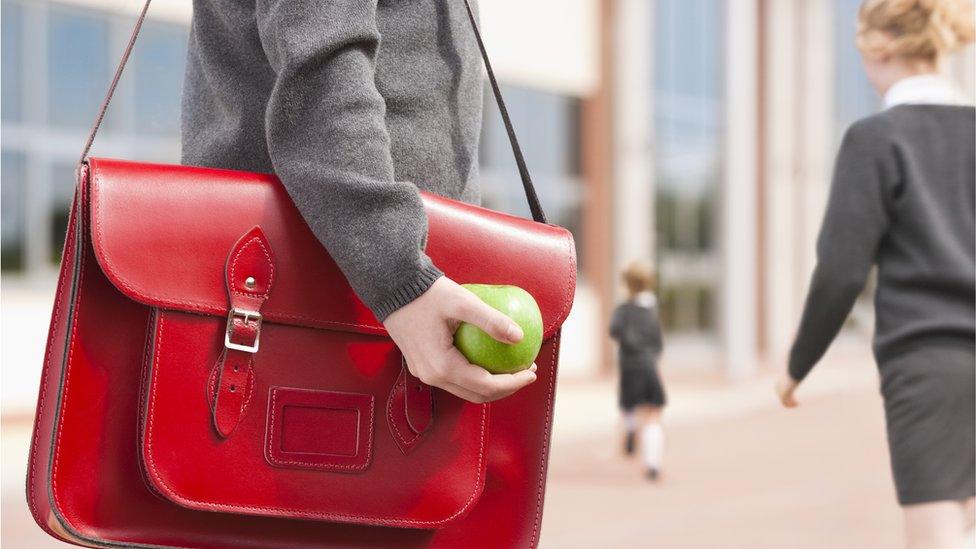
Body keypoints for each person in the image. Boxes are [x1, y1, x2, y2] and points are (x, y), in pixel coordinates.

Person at [180, 1, 537, 404]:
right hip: (355, 296)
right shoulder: (401, 281)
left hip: (403, 310)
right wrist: (402, 278)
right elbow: (323, 59)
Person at [775, 1, 976, 546]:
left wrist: (797, 366)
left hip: (929, 366)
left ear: (878, 46)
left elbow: (841, 272)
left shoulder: (876, 138)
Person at [610, 262, 667, 480]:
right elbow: (658, 342)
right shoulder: (652, 311)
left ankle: (631, 428)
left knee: (629, 405)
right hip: (648, 365)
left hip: (629, 366)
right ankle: (652, 463)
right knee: (654, 413)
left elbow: (614, 331)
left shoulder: (623, 310)